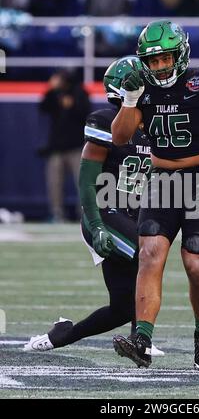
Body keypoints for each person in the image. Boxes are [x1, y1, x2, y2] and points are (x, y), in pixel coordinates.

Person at [112, 19, 199, 370]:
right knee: (150, 252)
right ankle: (142, 338)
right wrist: (129, 99)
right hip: (162, 178)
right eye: (152, 61)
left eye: (165, 58)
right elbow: (121, 137)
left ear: (180, 55)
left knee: (196, 265)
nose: (159, 66)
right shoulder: (141, 89)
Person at [24, 56, 164, 357]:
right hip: (103, 214)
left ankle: (60, 336)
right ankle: (142, 341)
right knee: (149, 252)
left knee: (122, 307)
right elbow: (87, 183)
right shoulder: (104, 121)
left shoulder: (154, 125)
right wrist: (97, 225)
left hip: (131, 216)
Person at [40, 70, 91, 222]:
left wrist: (72, 104)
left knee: (82, 184)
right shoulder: (54, 94)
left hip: (77, 146)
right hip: (57, 147)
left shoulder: (80, 92)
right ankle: (57, 214)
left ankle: (85, 215)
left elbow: (85, 112)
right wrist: (52, 90)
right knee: (54, 184)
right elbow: (43, 107)